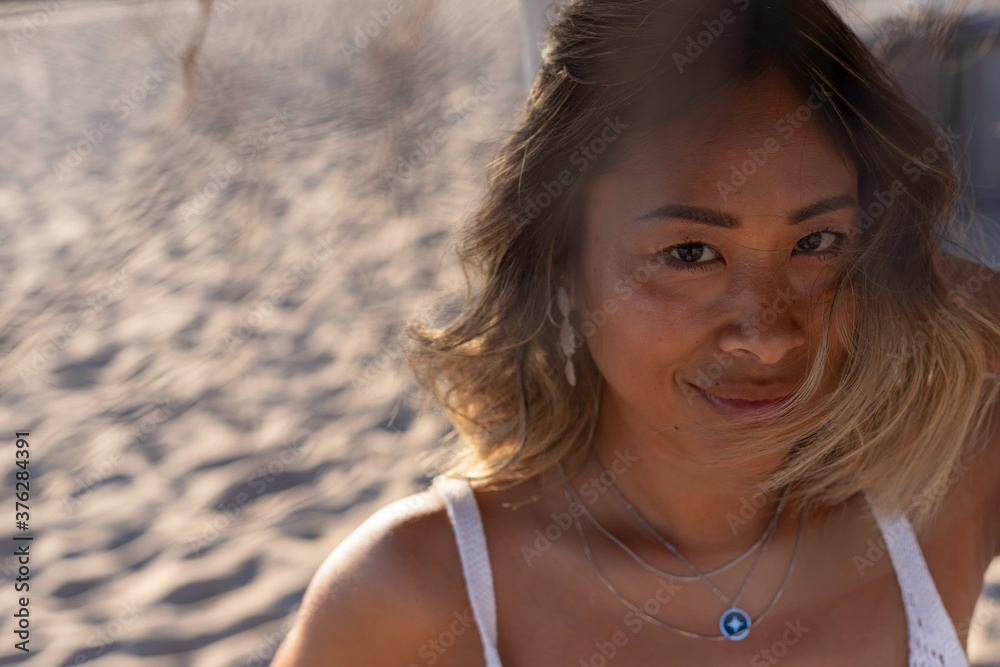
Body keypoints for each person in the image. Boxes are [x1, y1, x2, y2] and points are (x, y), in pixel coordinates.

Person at [272, 0, 1000, 664]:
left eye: (817, 242)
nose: (768, 333)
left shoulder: (945, 484)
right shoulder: (419, 593)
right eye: (688, 254)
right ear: (558, 260)